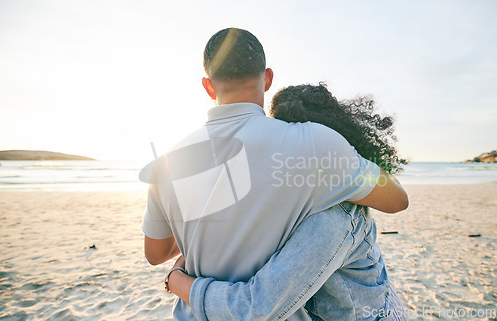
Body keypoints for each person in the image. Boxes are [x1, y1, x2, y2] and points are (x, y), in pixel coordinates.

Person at [141, 27, 408, 320]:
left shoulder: (166, 163)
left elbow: (156, 254)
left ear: (208, 86)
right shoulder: (313, 143)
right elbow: (396, 200)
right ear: (267, 78)